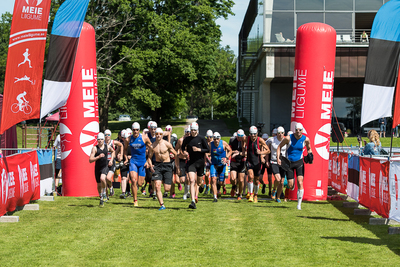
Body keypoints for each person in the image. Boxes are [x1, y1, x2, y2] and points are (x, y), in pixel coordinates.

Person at [277, 123, 312, 210]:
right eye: (296, 130)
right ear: (294, 130)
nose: (298, 132)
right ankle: (291, 185)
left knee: (300, 182)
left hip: (299, 162)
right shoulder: (288, 138)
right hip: (289, 163)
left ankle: (299, 204)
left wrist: (310, 154)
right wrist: (278, 158)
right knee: (291, 185)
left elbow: (309, 148)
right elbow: (279, 147)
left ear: (302, 130)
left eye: (300, 130)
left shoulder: (306, 139)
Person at [180, 122, 210, 209]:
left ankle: (202, 185)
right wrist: (184, 152)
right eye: (191, 130)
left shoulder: (201, 138)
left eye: (194, 130)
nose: (193, 132)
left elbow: (207, 149)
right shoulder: (187, 139)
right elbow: (182, 148)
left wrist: (198, 149)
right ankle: (193, 201)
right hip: (191, 163)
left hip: (200, 163)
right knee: (192, 180)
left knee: (199, 182)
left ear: (197, 130)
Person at [147, 128, 177, 210]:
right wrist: (150, 165)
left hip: (167, 165)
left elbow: (175, 153)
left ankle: (163, 180)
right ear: (155, 135)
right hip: (158, 166)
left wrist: (172, 156)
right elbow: (149, 158)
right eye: (157, 134)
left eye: (160, 134)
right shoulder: (152, 146)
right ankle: (162, 205)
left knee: (167, 188)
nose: (158, 135)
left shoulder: (167, 144)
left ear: (162, 135)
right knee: (157, 186)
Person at [124, 122, 153, 207]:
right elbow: (125, 149)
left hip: (142, 162)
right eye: (134, 130)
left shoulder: (144, 138)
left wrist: (148, 160)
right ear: (132, 130)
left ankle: (138, 187)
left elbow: (152, 148)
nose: (135, 131)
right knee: (133, 180)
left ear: (139, 130)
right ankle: (135, 200)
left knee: (140, 183)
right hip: (133, 161)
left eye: (137, 130)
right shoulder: (128, 139)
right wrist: (126, 158)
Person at [242, 126, 270, 203]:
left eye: (254, 134)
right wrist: (243, 149)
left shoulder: (260, 140)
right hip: (249, 161)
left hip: (257, 162)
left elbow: (268, 150)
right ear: (249, 134)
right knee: (250, 176)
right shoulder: (246, 139)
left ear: (257, 133)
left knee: (256, 181)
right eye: (251, 134)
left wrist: (261, 153)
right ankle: (251, 194)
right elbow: (242, 141)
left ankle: (255, 195)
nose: (253, 136)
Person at [89, 132, 115, 207]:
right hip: (97, 168)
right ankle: (101, 197)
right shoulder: (95, 148)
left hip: (105, 166)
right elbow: (90, 160)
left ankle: (104, 193)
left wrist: (111, 160)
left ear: (104, 140)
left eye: (101, 139)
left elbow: (113, 151)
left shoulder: (107, 147)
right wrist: (98, 157)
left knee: (103, 178)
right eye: (99, 139)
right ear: (97, 140)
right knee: (99, 184)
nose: (100, 140)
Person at [209, 132, 232, 202]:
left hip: (222, 165)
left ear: (220, 138)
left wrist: (226, 157)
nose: (216, 140)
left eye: (217, 139)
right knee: (213, 179)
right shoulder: (210, 144)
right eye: (215, 139)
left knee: (221, 182)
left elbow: (230, 151)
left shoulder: (224, 143)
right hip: (214, 164)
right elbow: (207, 152)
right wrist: (207, 158)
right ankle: (215, 197)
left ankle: (222, 186)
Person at [267, 126, 287, 203]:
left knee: (282, 182)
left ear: (284, 133)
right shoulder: (272, 140)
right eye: (279, 133)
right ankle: (274, 189)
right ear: (276, 133)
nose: (280, 134)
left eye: (282, 133)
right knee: (277, 179)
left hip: (283, 162)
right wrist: (265, 159)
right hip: (274, 161)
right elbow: (264, 145)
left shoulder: (286, 140)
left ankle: (278, 197)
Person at [104, 129, 123, 198]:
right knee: (104, 178)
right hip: (104, 162)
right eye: (105, 135)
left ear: (110, 135)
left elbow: (121, 145)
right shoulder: (102, 143)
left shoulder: (113, 142)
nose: (107, 136)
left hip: (112, 162)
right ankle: (105, 195)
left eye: (108, 135)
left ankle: (111, 187)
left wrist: (120, 154)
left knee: (109, 178)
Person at [175, 126, 191, 199]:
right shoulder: (181, 140)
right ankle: (187, 190)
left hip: (189, 160)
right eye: (187, 132)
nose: (188, 134)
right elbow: (176, 149)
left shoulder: (192, 140)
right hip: (182, 160)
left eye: (189, 132)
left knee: (188, 178)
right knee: (182, 180)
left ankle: (186, 193)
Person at [229, 129, 246, 200]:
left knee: (241, 180)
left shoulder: (245, 141)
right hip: (234, 161)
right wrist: (233, 152)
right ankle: (234, 186)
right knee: (233, 178)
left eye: (241, 137)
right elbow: (228, 150)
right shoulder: (232, 140)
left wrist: (238, 153)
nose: (240, 138)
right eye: (238, 137)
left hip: (242, 161)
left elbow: (246, 152)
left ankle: (240, 194)